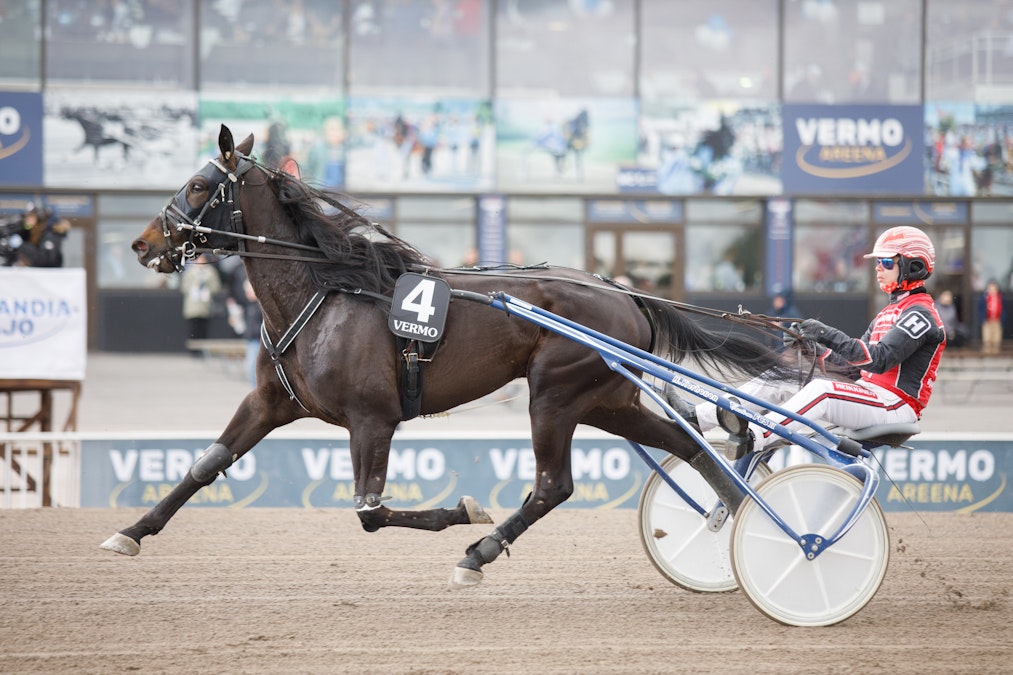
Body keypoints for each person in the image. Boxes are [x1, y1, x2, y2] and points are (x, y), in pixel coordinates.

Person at [668, 225, 946, 456]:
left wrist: (827, 334)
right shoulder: (888, 312)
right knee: (779, 378)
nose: (878, 268)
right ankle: (702, 417)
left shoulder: (921, 315)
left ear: (913, 266)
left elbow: (880, 359)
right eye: (877, 262)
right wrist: (815, 350)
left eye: (887, 262)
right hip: (869, 395)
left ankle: (756, 436)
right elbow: (853, 366)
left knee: (823, 391)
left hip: (894, 406)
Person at [179, 252, 222, 355]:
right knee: (193, 329)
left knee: (204, 329)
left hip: (205, 305)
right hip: (193, 306)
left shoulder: (211, 272)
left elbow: (216, 286)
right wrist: (194, 287)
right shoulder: (190, 272)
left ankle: (203, 350)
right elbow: (184, 287)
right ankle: (193, 351)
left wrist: (207, 289)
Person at [4, 203, 71, 268]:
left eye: (31, 216)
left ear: (39, 218)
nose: (27, 220)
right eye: (26, 217)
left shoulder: (50, 234)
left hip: (51, 277)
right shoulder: (29, 232)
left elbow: (45, 261)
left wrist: (22, 245)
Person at [978, 280, 1005, 355]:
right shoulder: (985, 298)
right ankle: (987, 353)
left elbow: (1004, 309)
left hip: (997, 320)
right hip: (987, 320)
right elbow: (980, 309)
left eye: (994, 289)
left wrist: (1002, 318)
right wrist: (982, 318)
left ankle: (995, 353)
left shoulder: (1000, 298)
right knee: (987, 338)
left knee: (996, 339)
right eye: (990, 289)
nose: (992, 291)